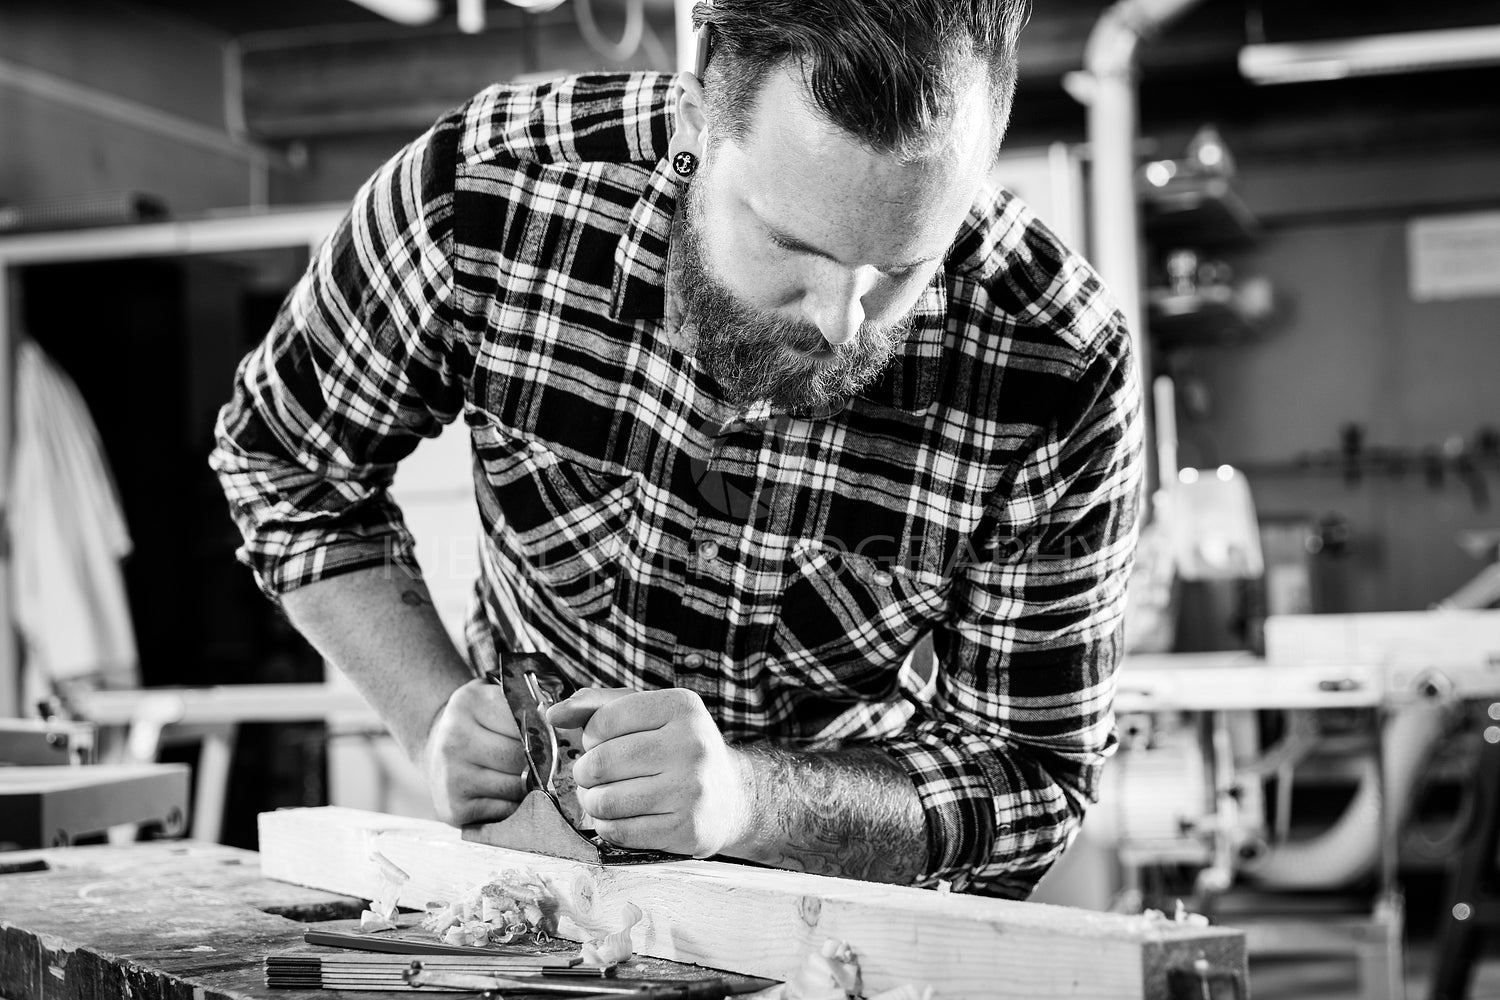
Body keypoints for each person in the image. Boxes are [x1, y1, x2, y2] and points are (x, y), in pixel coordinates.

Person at [211, 0, 1142, 898]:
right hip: (529, 879)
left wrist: (751, 800)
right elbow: (284, 462)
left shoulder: (1057, 364)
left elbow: (1033, 775)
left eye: (903, 269)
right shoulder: (491, 189)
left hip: (833, 913)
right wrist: (432, 714)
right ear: (698, 115)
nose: (842, 321)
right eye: (790, 244)